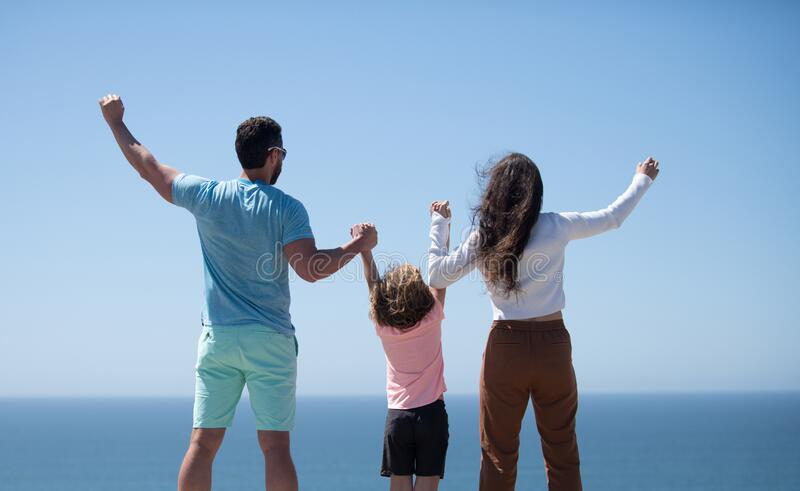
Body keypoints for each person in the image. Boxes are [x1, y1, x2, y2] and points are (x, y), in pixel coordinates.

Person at [97, 94, 378, 491]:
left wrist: (115, 123)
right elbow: (311, 269)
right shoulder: (287, 208)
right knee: (276, 447)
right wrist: (356, 246)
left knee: (203, 443)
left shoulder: (207, 195)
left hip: (219, 337)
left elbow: (150, 167)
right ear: (274, 154)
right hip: (270, 339)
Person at [427, 153, 660, 491]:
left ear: (494, 192)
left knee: (498, 455)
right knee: (562, 451)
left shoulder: (483, 236)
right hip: (553, 346)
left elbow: (437, 275)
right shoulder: (557, 226)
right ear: (535, 192)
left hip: (505, 347)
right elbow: (613, 217)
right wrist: (643, 179)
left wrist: (439, 224)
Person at [357, 201, 453, 491]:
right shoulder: (433, 315)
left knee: (399, 485)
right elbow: (441, 270)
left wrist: (365, 251)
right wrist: (441, 222)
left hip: (398, 416)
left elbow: (373, 285)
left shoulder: (383, 326)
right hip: (432, 415)